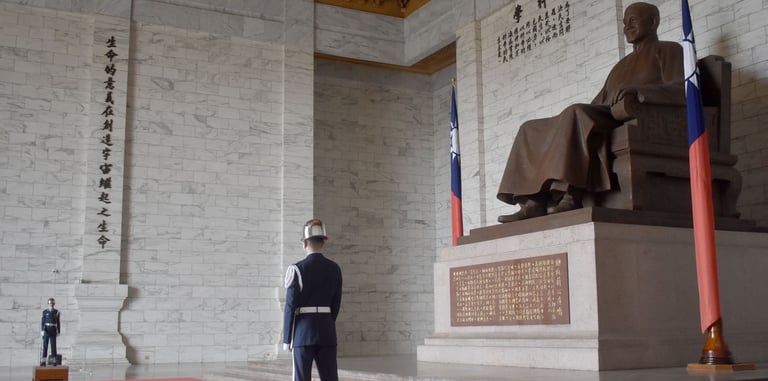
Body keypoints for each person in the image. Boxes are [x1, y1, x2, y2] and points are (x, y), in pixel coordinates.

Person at [497, 2, 685, 222]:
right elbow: (598, 101)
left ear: (653, 22)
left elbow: (682, 89)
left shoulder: (669, 50)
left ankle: (572, 195)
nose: (627, 27)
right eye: (624, 22)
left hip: (635, 116)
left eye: (633, 20)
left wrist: (637, 90)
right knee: (529, 128)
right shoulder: (621, 65)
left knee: (575, 112)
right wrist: (559, 124)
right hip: (607, 113)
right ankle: (534, 200)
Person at [282, 219, 343, 381]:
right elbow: (336, 305)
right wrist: (327, 322)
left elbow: (290, 306)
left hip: (303, 333)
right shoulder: (335, 268)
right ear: (323, 242)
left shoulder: (297, 269)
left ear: (304, 243)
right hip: (327, 332)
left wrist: (287, 338)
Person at [40, 297, 61, 366]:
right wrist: (42, 330)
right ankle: (43, 360)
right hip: (46, 329)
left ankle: (54, 360)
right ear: (48, 304)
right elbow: (42, 322)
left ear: (54, 304)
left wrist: (58, 330)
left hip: (53, 329)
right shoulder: (45, 312)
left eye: (52, 303)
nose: (51, 304)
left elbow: (58, 322)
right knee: (45, 345)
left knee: (53, 345)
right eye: (50, 303)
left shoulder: (56, 312)